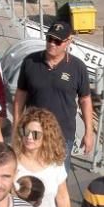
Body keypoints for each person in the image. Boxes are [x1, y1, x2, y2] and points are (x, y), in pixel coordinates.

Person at [14, 21, 94, 164]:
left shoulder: (78, 67)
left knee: (59, 179)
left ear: (69, 41)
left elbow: (85, 100)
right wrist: (16, 125)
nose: (52, 43)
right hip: (33, 133)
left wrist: (89, 132)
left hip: (62, 135)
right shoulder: (30, 62)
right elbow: (20, 95)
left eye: (57, 41)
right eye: (49, 39)